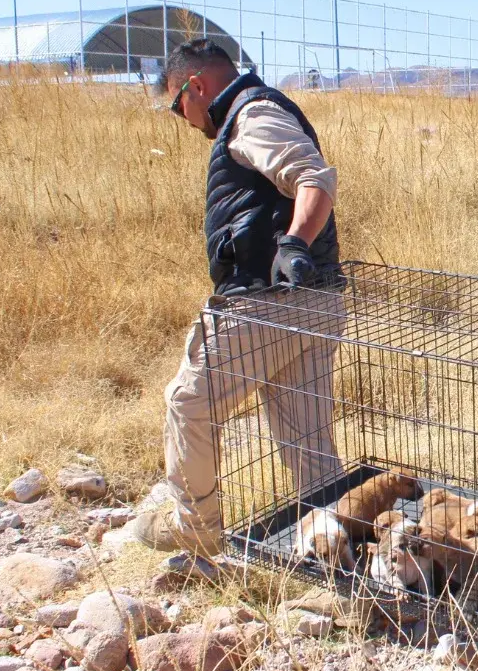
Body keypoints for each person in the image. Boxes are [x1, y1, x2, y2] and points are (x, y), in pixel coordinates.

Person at [127, 39, 346, 556]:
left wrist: (292, 244)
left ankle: (195, 528)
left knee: (188, 404)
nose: (180, 117)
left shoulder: (251, 115)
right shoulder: (255, 111)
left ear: (196, 86)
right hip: (317, 301)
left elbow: (314, 178)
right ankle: (338, 538)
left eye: (176, 103)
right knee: (307, 440)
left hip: (266, 305)